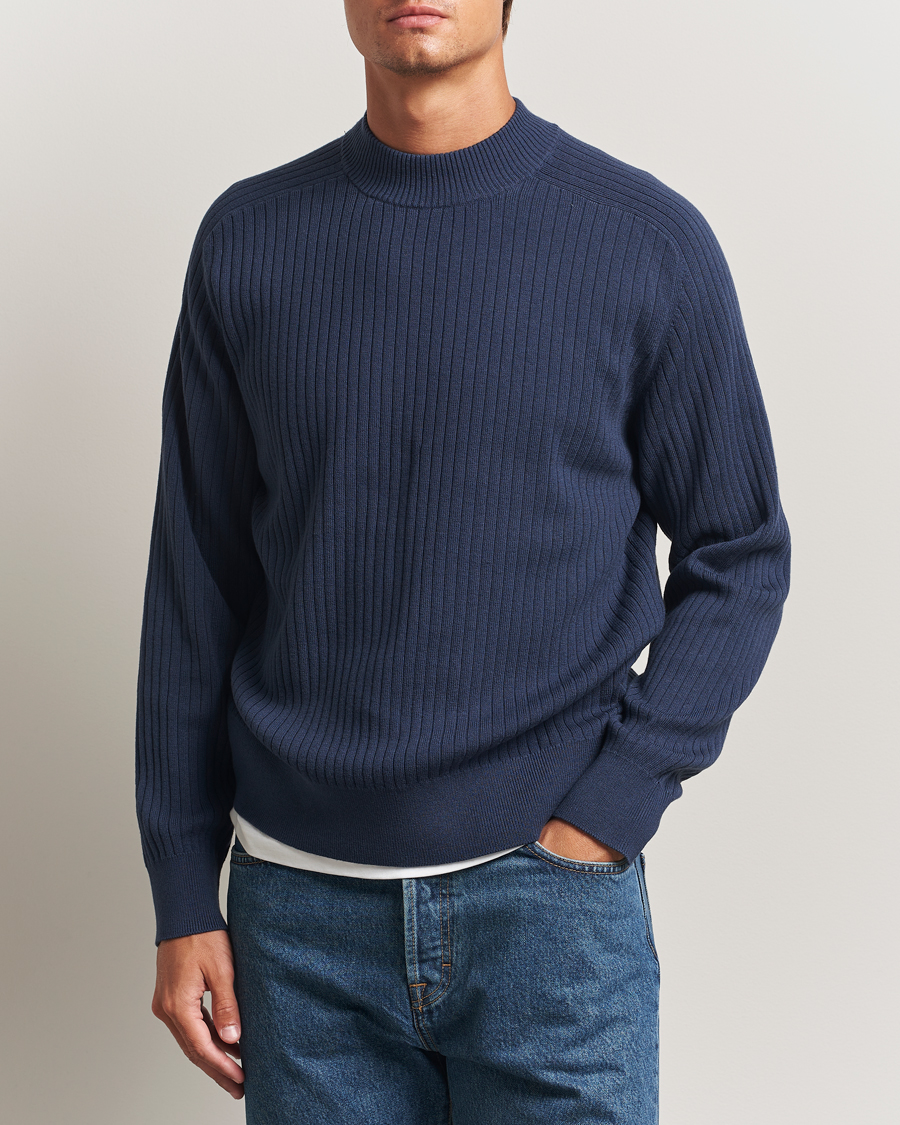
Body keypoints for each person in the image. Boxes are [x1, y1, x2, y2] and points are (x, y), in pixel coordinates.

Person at [136, 1, 791, 1120]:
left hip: (548, 907)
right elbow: (194, 579)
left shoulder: (644, 240)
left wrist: (608, 811)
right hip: (298, 921)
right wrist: (182, 888)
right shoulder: (249, 238)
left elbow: (740, 551)